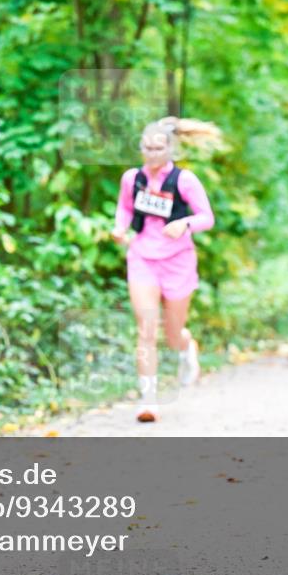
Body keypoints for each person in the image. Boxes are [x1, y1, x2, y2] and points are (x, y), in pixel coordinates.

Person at [112, 117, 219, 423]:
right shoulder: (131, 179)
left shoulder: (185, 180)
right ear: (141, 148)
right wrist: (120, 228)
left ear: (170, 149)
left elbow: (206, 217)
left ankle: (186, 347)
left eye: (159, 147)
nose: (153, 153)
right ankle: (148, 400)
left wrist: (183, 223)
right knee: (146, 329)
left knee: (172, 335)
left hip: (178, 260)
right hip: (143, 257)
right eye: (147, 147)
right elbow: (125, 208)